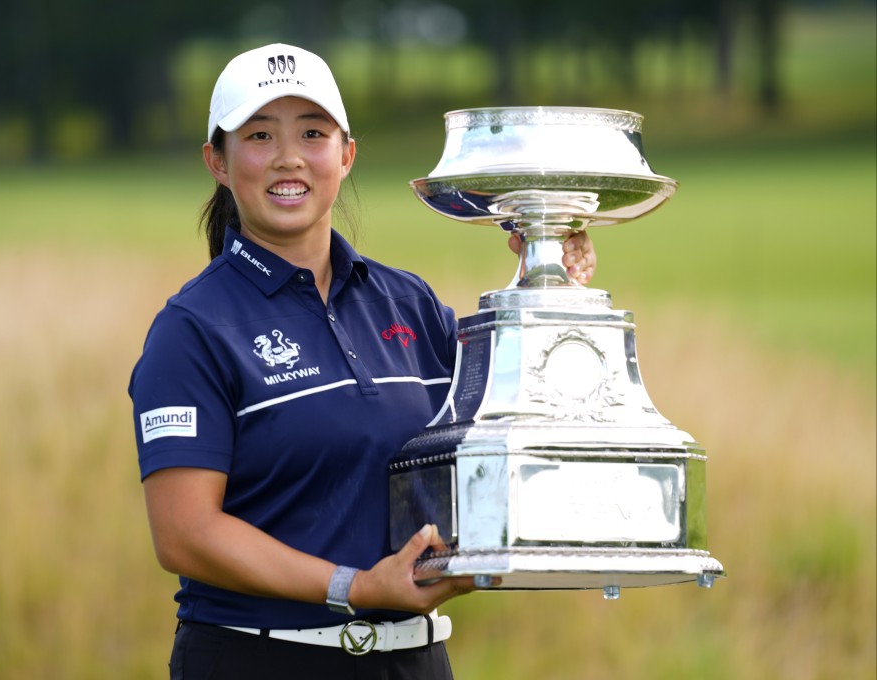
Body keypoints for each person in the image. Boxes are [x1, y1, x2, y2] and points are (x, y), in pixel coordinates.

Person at [129, 43, 597, 680]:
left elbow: (503, 425)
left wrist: (546, 291)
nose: (289, 156)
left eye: (312, 133)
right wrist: (356, 586)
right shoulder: (193, 330)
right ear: (218, 160)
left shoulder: (411, 303)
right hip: (257, 660)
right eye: (260, 135)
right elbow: (185, 534)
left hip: (413, 660)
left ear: (346, 155)